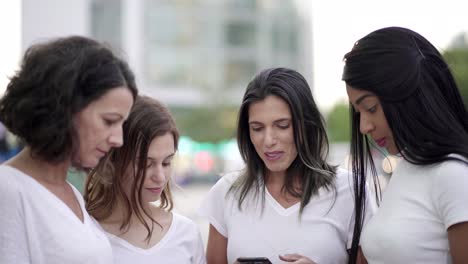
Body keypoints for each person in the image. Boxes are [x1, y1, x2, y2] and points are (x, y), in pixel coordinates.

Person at [198, 67, 374, 264]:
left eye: (282, 126)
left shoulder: (349, 189)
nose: (268, 140)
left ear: (307, 125)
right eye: (257, 128)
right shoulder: (227, 192)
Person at [0, 36, 138, 263]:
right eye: (109, 121)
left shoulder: (71, 193)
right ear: (63, 108)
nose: (118, 139)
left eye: (122, 124)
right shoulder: (9, 191)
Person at [342, 26, 468, 263]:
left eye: (370, 108)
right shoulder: (409, 166)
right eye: (359, 113)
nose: (364, 127)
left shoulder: (453, 175)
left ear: (408, 97)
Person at [85, 96, 206, 264]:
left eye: (166, 162)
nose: (160, 177)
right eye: (145, 164)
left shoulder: (186, 232)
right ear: (112, 160)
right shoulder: (85, 233)